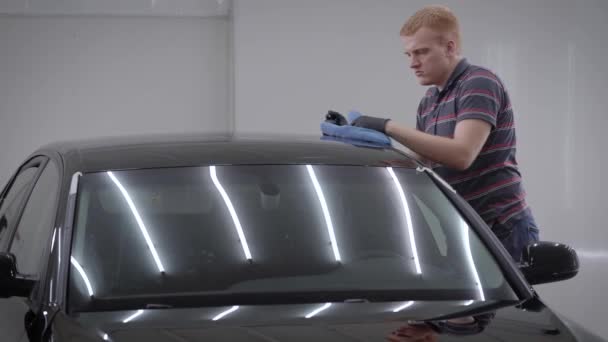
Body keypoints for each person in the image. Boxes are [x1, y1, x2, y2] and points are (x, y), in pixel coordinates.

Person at [351, 5, 539, 263]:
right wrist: (364, 150)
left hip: (503, 228)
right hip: (465, 228)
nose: (412, 63)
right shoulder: (429, 101)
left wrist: (387, 126)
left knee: (505, 306)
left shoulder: (479, 82)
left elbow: (462, 155)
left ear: (450, 48)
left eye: (421, 52)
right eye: (408, 54)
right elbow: (421, 161)